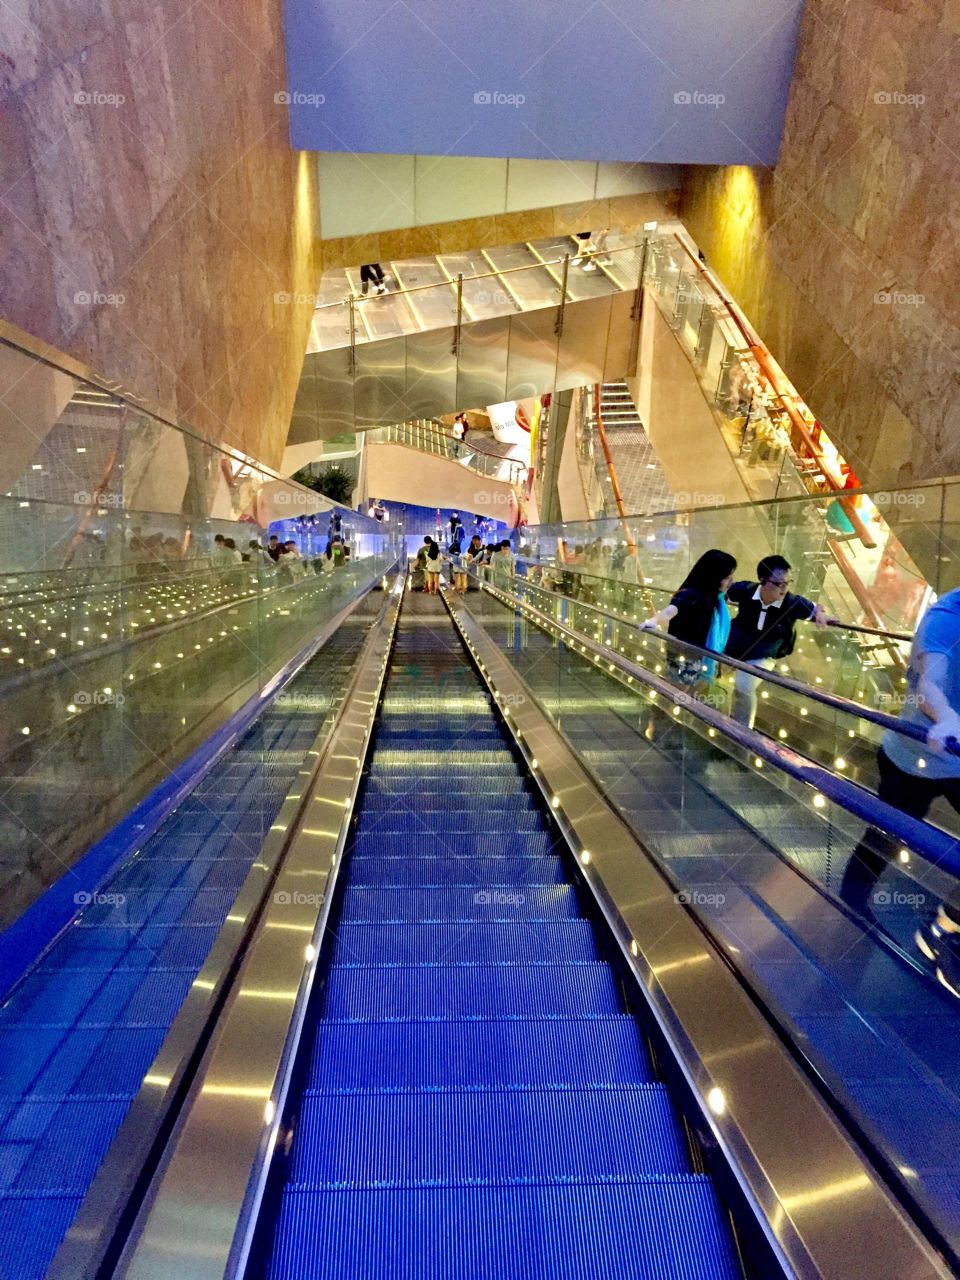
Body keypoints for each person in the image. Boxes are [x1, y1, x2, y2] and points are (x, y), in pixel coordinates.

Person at [838, 589, 960, 992]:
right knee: (886, 839)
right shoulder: (947, 615)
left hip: (953, 762)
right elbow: (930, 681)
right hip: (915, 757)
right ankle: (851, 904)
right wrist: (945, 717)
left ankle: (944, 926)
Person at [725, 555, 832, 728]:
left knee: (744, 685)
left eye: (787, 583)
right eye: (778, 583)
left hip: (767, 651)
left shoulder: (791, 602)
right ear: (762, 580)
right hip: (737, 644)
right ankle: (724, 717)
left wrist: (820, 614)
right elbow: (725, 591)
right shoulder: (746, 590)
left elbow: (816, 607)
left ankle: (743, 729)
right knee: (721, 673)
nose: (783, 589)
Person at [642, 549, 737, 691]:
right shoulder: (690, 594)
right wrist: (654, 621)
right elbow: (671, 610)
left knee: (691, 697)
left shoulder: (717, 599)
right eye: (727, 576)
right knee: (677, 695)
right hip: (684, 657)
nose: (731, 581)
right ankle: (661, 712)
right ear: (714, 576)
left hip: (704, 657)